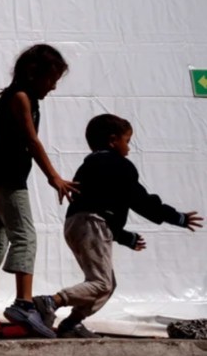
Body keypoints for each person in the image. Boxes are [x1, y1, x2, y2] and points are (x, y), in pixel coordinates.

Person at [33, 114, 202, 337]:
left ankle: (72, 323)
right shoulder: (119, 166)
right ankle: (50, 302)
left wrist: (124, 237)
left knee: (107, 284)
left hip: (78, 224)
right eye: (127, 141)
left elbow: (104, 204)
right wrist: (176, 217)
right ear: (113, 140)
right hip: (93, 223)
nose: (129, 148)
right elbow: (139, 199)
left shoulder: (90, 166)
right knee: (101, 283)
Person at [0, 44, 78, 338]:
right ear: (33, 74)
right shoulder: (21, 97)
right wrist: (54, 177)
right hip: (6, 178)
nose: (53, 87)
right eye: (52, 79)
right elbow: (32, 141)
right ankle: (23, 304)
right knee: (25, 236)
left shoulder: (22, 97)